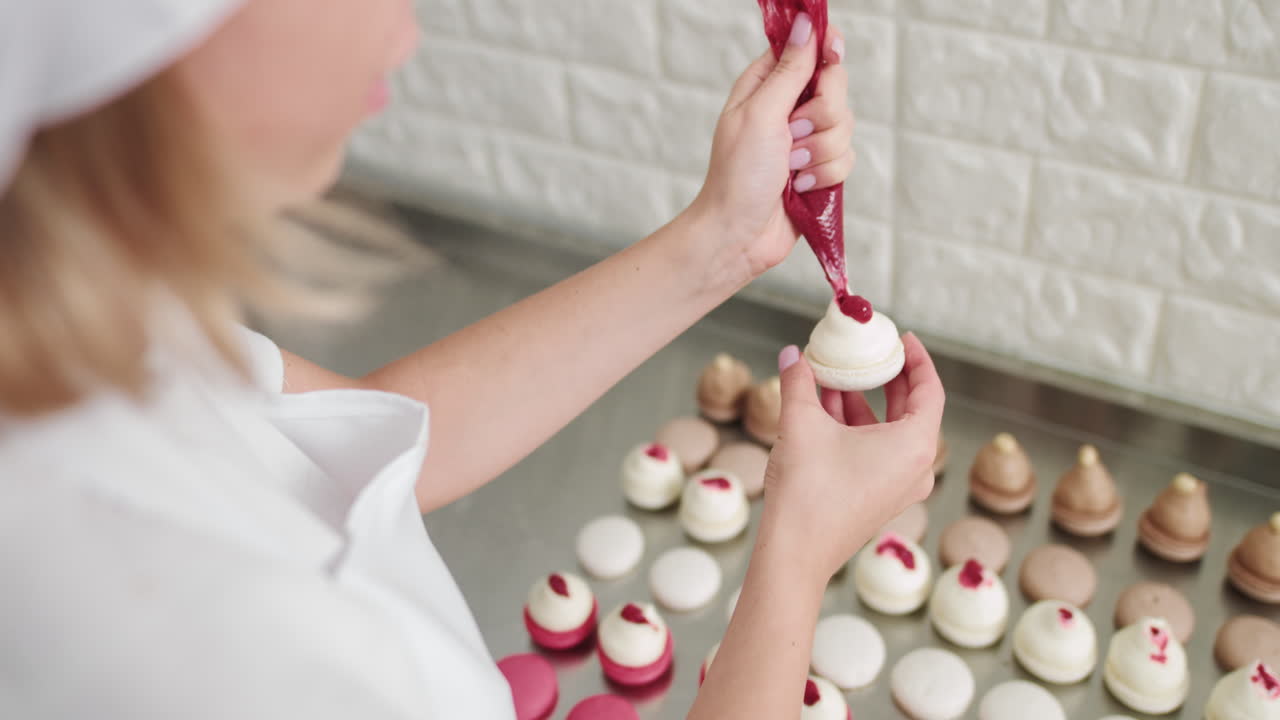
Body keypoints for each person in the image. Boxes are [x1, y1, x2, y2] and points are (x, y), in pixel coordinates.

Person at [0, 1, 942, 718]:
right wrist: (798, 548)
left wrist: (726, 241)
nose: (407, 27)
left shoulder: (86, 338)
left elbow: (369, 440)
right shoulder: (203, 653)